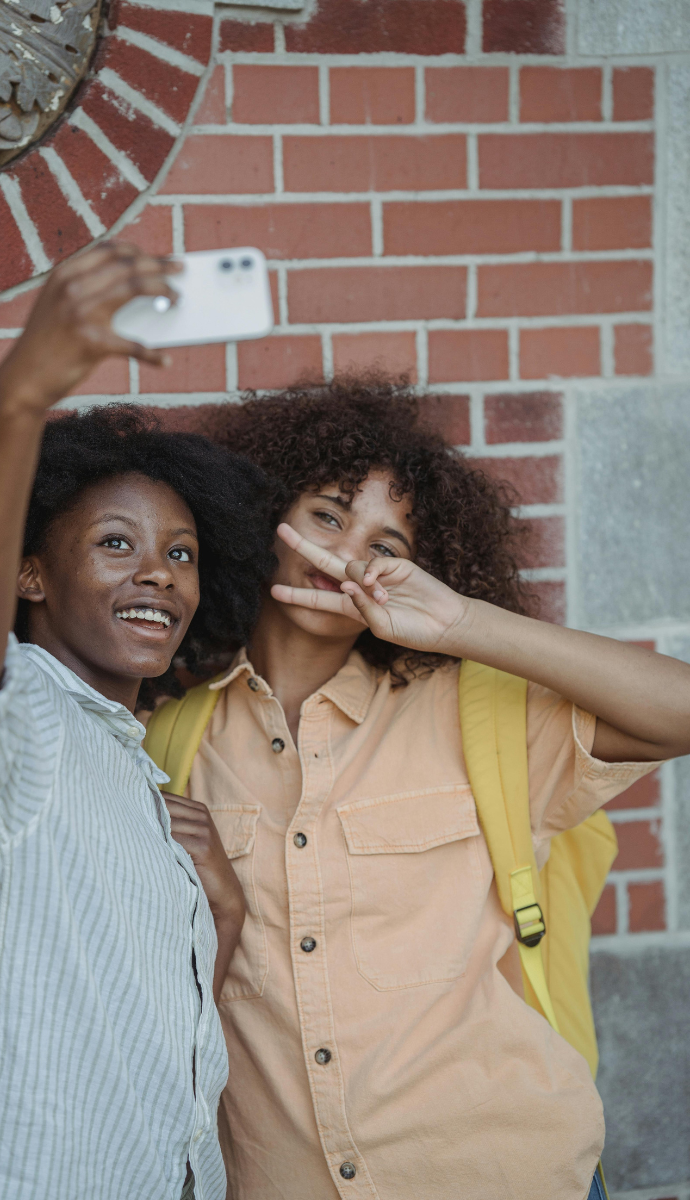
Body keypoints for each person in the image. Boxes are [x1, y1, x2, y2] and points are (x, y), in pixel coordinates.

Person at [154, 378, 690, 1200]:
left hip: (505, 1174)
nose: (350, 556)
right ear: (265, 516)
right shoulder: (171, 737)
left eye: (389, 546)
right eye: (329, 515)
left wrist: (461, 624)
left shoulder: (475, 715)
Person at [0, 243, 274, 1200]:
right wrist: (19, 396)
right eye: (116, 544)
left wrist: (221, 910)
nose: (160, 575)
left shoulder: (134, 769)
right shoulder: (19, 726)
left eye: (181, 555)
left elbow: (151, 1035)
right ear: (31, 575)